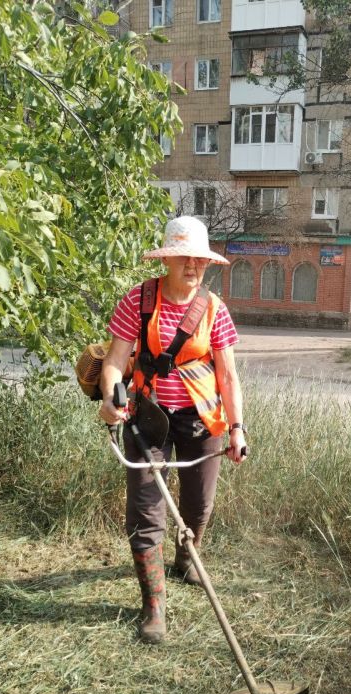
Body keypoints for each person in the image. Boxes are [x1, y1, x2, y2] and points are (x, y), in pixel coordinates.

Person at [99, 216, 247, 644]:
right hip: (146, 416)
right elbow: (114, 361)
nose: (192, 266)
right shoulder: (138, 301)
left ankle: (186, 557)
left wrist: (236, 428)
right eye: (184, 257)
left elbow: (229, 376)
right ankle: (153, 605)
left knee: (199, 505)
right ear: (168, 259)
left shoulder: (214, 309)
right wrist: (112, 399)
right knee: (146, 510)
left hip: (201, 418)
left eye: (199, 259)